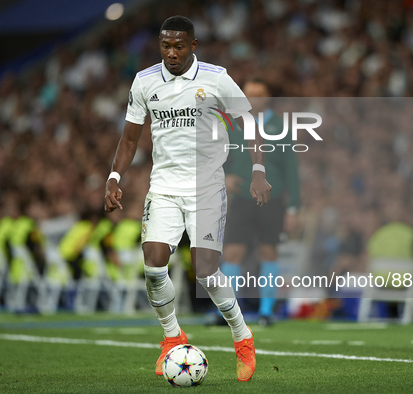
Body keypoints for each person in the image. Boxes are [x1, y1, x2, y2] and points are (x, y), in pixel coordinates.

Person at [104, 15, 271, 382]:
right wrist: (114, 178)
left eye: (179, 46)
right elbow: (130, 139)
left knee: (207, 272)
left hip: (208, 187)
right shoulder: (145, 82)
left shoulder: (216, 78)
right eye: (166, 46)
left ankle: (242, 336)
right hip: (163, 187)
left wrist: (259, 171)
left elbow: (249, 124)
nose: (172, 53)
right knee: (153, 263)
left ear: (193, 46)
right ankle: (171, 337)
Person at [221, 77, 300, 327]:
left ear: (268, 98)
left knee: (269, 251)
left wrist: (294, 208)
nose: (253, 99)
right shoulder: (232, 126)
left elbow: (291, 171)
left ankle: (266, 312)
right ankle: (230, 314)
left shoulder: (281, 127)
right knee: (232, 252)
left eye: (259, 94)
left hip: (272, 199)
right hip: (242, 198)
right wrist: (224, 176)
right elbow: (217, 157)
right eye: (249, 94)